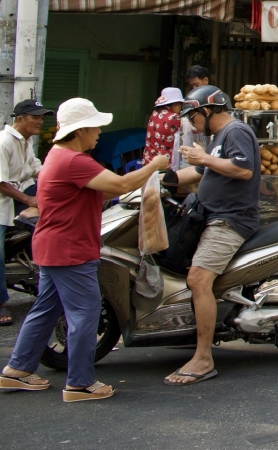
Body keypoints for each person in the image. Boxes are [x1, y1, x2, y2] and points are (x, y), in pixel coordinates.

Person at [1, 98, 169, 400]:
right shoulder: (74, 160)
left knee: (46, 309)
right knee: (85, 314)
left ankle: (18, 370)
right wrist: (154, 165)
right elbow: (119, 185)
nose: (99, 133)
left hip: (53, 245)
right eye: (96, 127)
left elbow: (102, 190)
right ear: (80, 131)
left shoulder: (58, 155)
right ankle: (79, 383)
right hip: (70, 249)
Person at [158, 86, 260, 386]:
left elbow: (243, 170)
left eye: (192, 116)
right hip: (209, 215)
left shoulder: (235, 131)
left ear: (207, 110)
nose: (190, 123)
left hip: (230, 220)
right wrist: (155, 180)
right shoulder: (217, 139)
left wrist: (203, 159)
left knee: (198, 278)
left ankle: (203, 357)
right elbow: (202, 174)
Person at [0, 99, 53, 326]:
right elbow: (1, 182)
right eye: (35, 117)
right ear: (20, 119)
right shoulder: (4, 142)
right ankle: (1, 302)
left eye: (42, 117)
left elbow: (37, 169)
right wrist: (30, 199)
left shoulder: (26, 142)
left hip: (18, 195)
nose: (40, 121)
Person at [143, 87, 184, 168]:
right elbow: (195, 128)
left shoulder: (155, 113)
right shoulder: (174, 118)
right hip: (163, 164)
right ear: (176, 104)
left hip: (148, 161)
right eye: (180, 105)